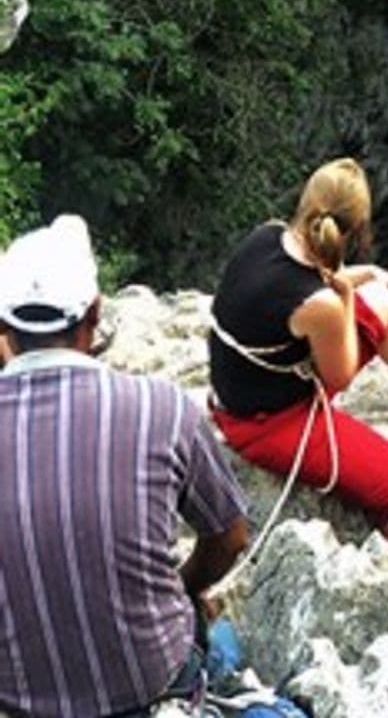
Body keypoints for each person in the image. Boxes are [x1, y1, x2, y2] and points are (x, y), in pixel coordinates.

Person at [0, 214, 250, 718]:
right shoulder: (163, 408)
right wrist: (185, 587)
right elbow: (231, 537)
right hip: (147, 687)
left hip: (20, 703)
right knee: (218, 638)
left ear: (4, 329)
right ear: (95, 314)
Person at [207, 156, 388, 536]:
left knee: (379, 296)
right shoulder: (321, 305)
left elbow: (306, 278)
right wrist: (346, 297)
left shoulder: (268, 235)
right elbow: (339, 373)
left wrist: (370, 275)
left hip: (245, 392)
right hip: (266, 424)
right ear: (356, 228)